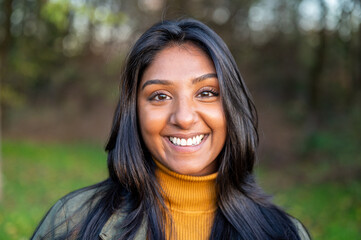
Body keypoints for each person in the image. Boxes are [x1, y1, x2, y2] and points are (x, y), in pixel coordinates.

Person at [31, 18, 310, 240]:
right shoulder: (71, 223)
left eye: (207, 92)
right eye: (160, 96)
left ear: (231, 106)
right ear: (134, 113)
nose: (184, 118)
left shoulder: (285, 233)